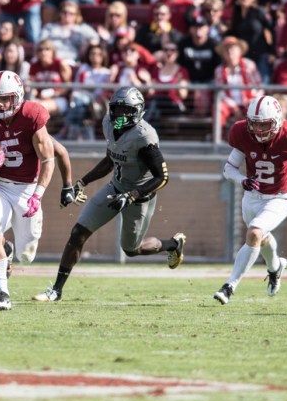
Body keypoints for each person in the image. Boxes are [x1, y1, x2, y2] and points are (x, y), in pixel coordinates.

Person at [32, 87, 186, 302]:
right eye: (117, 110)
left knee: (131, 250)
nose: (120, 116)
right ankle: (56, 290)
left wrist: (132, 195)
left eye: (127, 111)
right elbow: (110, 159)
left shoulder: (144, 136)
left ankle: (172, 245)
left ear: (138, 111)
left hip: (140, 196)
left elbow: (162, 177)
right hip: (115, 188)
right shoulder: (108, 124)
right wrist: (81, 183)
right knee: (78, 233)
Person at [213, 95, 287, 305]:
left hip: (279, 198)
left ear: (276, 121)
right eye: (254, 123)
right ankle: (275, 268)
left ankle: (230, 286)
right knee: (261, 238)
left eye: (264, 124)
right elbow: (228, 168)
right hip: (251, 198)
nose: (258, 129)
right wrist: (242, 180)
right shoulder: (242, 134)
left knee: (254, 232)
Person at [0, 114, 78, 302]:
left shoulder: (26, 121)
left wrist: (68, 186)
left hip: (22, 188)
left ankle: (7, 251)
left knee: (25, 253)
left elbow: (60, 152)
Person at [0, 69, 56, 310]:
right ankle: (2, 293)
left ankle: (11, 254)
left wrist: (38, 194)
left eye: (5, 97)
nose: (0, 102)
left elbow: (49, 160)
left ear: (17, 96)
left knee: (26, 255)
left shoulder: (33, 114)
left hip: (27, 188)